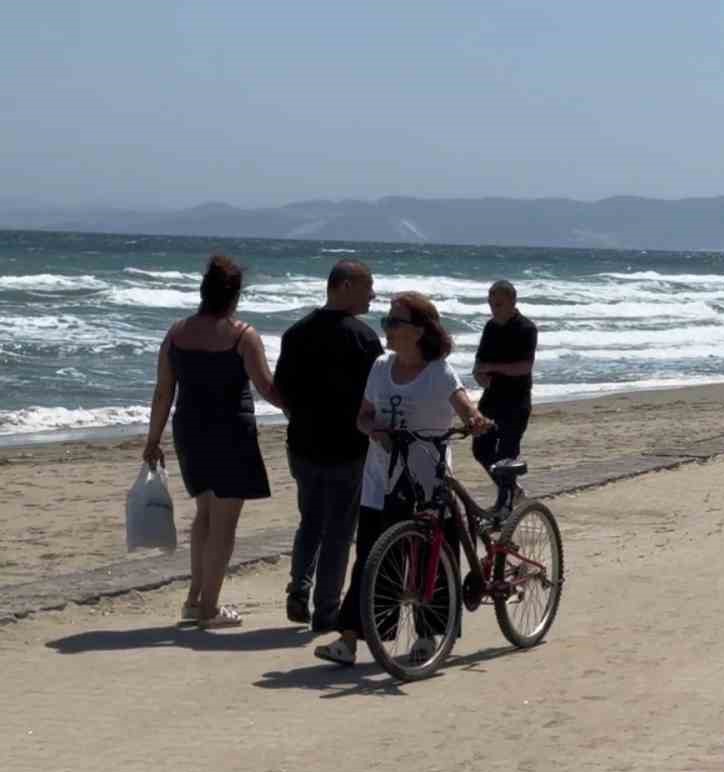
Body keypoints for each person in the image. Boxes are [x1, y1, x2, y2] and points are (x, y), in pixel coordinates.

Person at [315, 292, 490, 666]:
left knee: (429, 557)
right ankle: (350, 639)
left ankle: (428, 637)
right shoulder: (380, 367)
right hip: (382, 480)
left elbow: (463, 405)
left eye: (395, 322)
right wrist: (373, 429)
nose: (388, 330)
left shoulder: (438, 371)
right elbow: (363, 415)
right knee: (372, 559)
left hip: (427, 480)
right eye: (386, 322)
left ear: (421, 329)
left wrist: (474, 420)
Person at [141, 255, 280, 629]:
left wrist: (153, 439)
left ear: (204, 292)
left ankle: (193, 600)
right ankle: (209, 608)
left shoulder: (176, 333)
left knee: (204, 515)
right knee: (224, 524)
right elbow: (267, 387)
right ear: (234, 296)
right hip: (231, 432)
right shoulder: (241, 335)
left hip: (189, 429)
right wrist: (304, 407)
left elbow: (162, 392)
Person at [274, 260, 382, 631]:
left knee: (311, 521)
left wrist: (302, 414)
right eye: (368, 287)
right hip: (348, 447)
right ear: (345, 286)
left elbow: (281, 391)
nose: (373, 294)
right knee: (338, 531)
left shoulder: (296, 333)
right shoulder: (364, 339)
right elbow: (376, 397)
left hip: (303, 443)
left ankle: (299, 589)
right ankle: (326, 610)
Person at [472, 280, 538, 476]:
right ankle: (510, 489)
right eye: (491, 304)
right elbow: (479, 362)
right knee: (480, 450)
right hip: (491, 398)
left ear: (512, 302)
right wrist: (479, 375)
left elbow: (524, 367)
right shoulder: (490, 327)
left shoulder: (526, 328)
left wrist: (492, 367)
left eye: (498, 304)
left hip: (516, 401)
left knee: (507, 455)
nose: (494, 309)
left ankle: (508, 497)